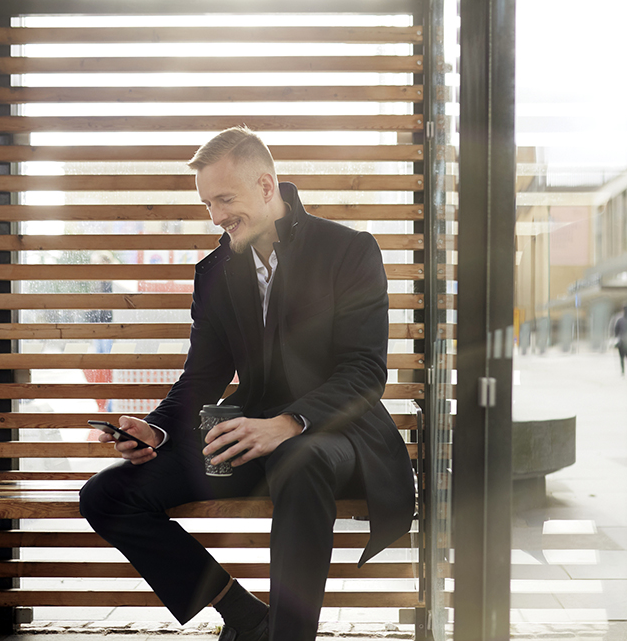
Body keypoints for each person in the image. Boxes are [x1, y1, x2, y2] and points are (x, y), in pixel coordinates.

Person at [78, 127, 416, 641]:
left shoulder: (349, 250)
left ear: (265, 185)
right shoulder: (215, 272)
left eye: (225, 199)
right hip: (249, 438)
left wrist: (288, 423)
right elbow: (202, 376)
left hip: (338, 436)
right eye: (207, 203)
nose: (215, 216)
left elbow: (364, 370)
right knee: (106, 495)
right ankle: (243, 614)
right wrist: (157, 430)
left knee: (300, 458)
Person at [614, 305, 627, 376]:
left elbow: (616, 330)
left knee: (621, 357)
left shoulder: (620, 320)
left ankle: (622, 370)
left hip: (622, 341)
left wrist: (617, 336)